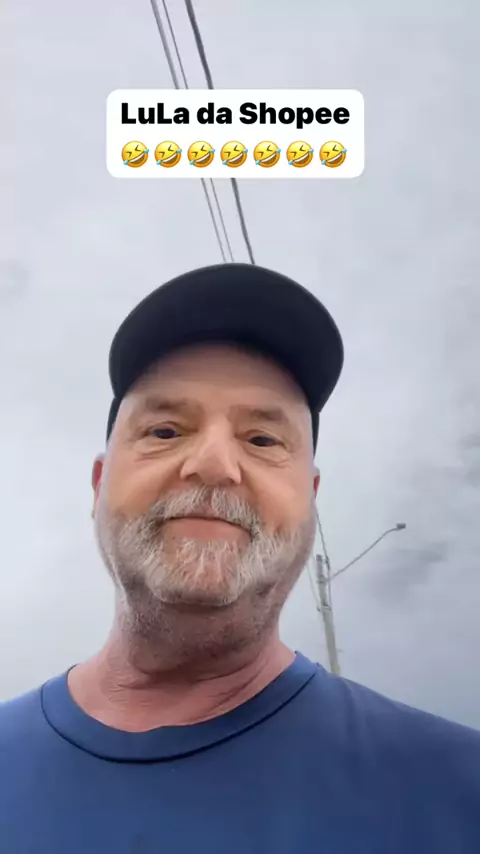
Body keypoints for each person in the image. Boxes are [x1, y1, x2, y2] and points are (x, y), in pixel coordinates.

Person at [1, 263, 479, 854]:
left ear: (310, 498)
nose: (213, 464)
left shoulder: (459, 795)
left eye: (262, 440)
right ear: (99, 485)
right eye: (165, 431)